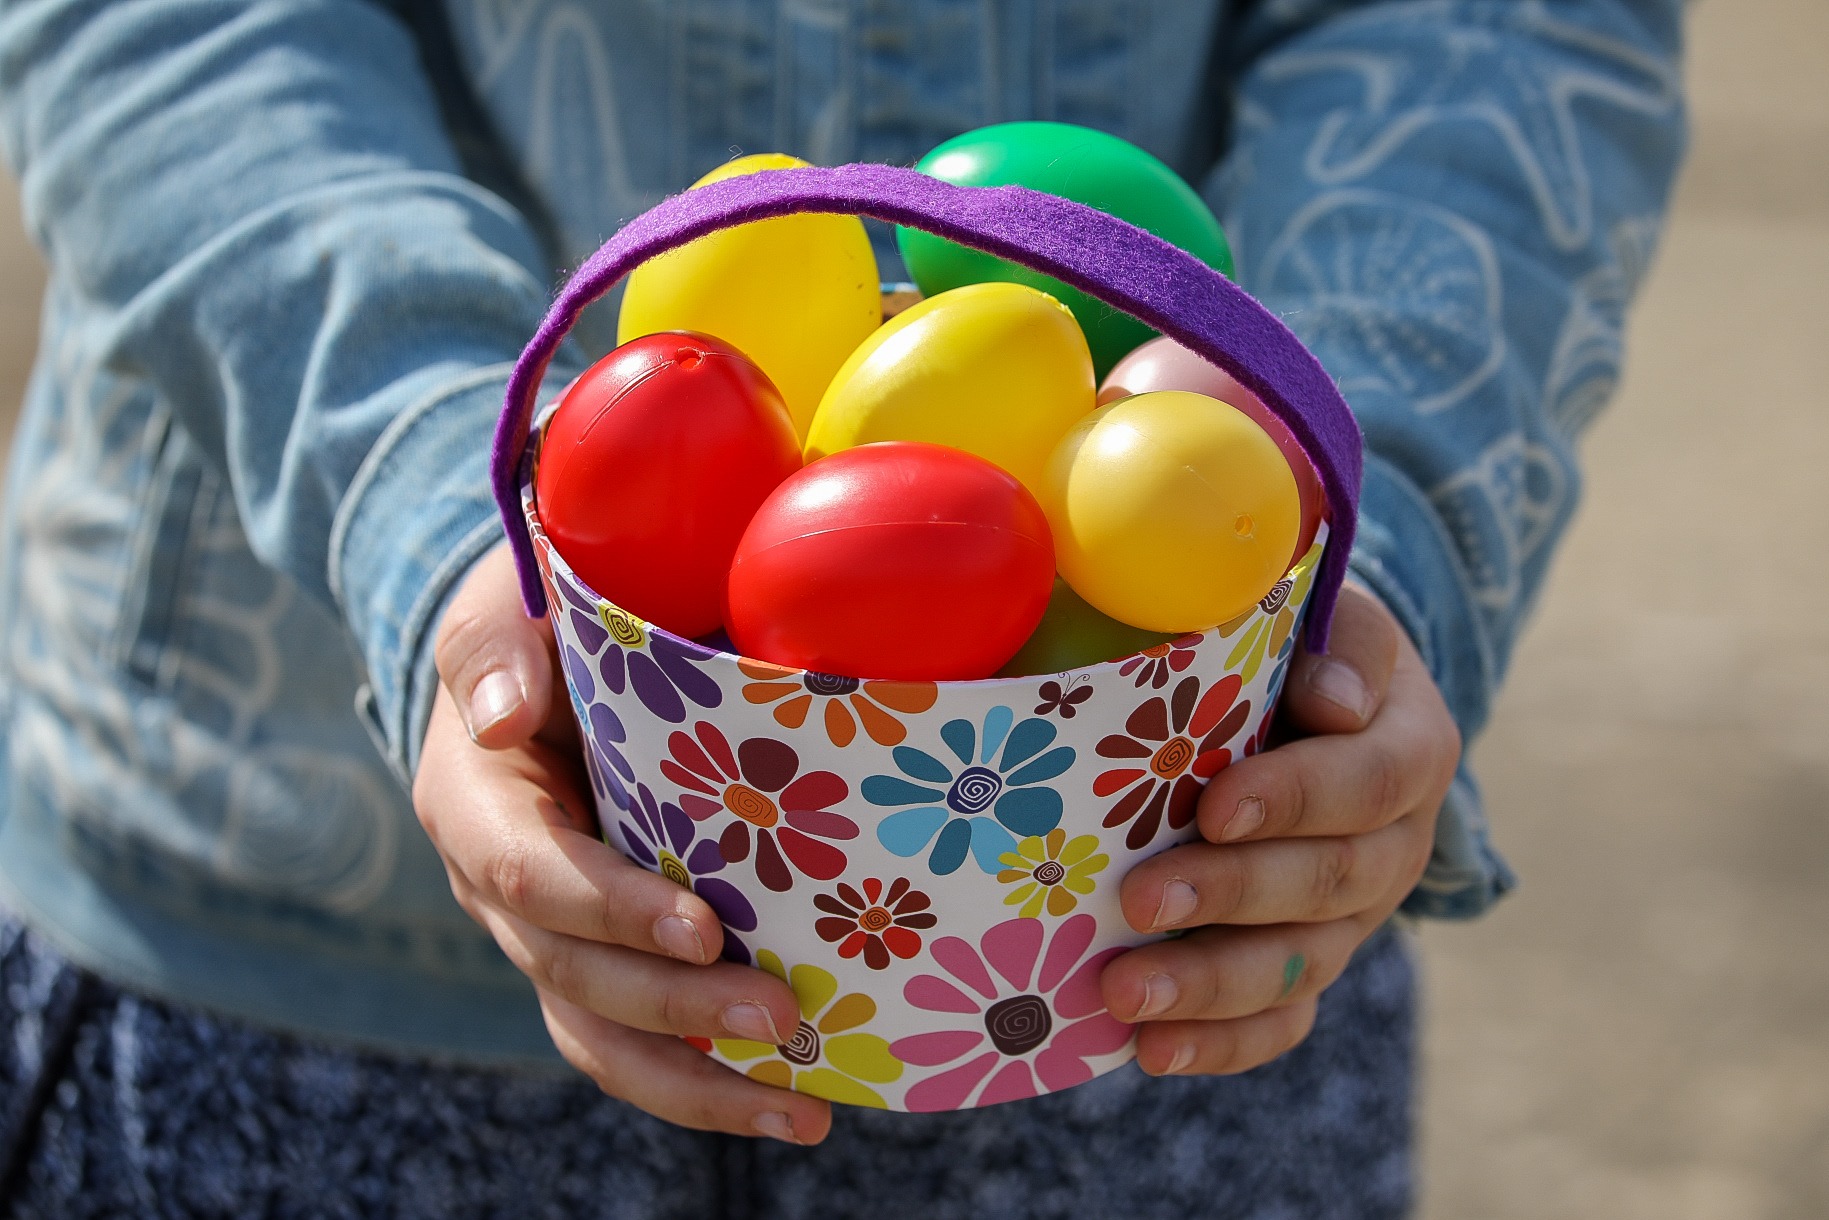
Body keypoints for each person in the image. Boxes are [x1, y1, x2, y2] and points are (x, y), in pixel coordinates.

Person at [0, 0, 1684, 1215]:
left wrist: (1346, 537)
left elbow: (1503, 28)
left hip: (1139, 917)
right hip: (291, 937)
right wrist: (442, 518)